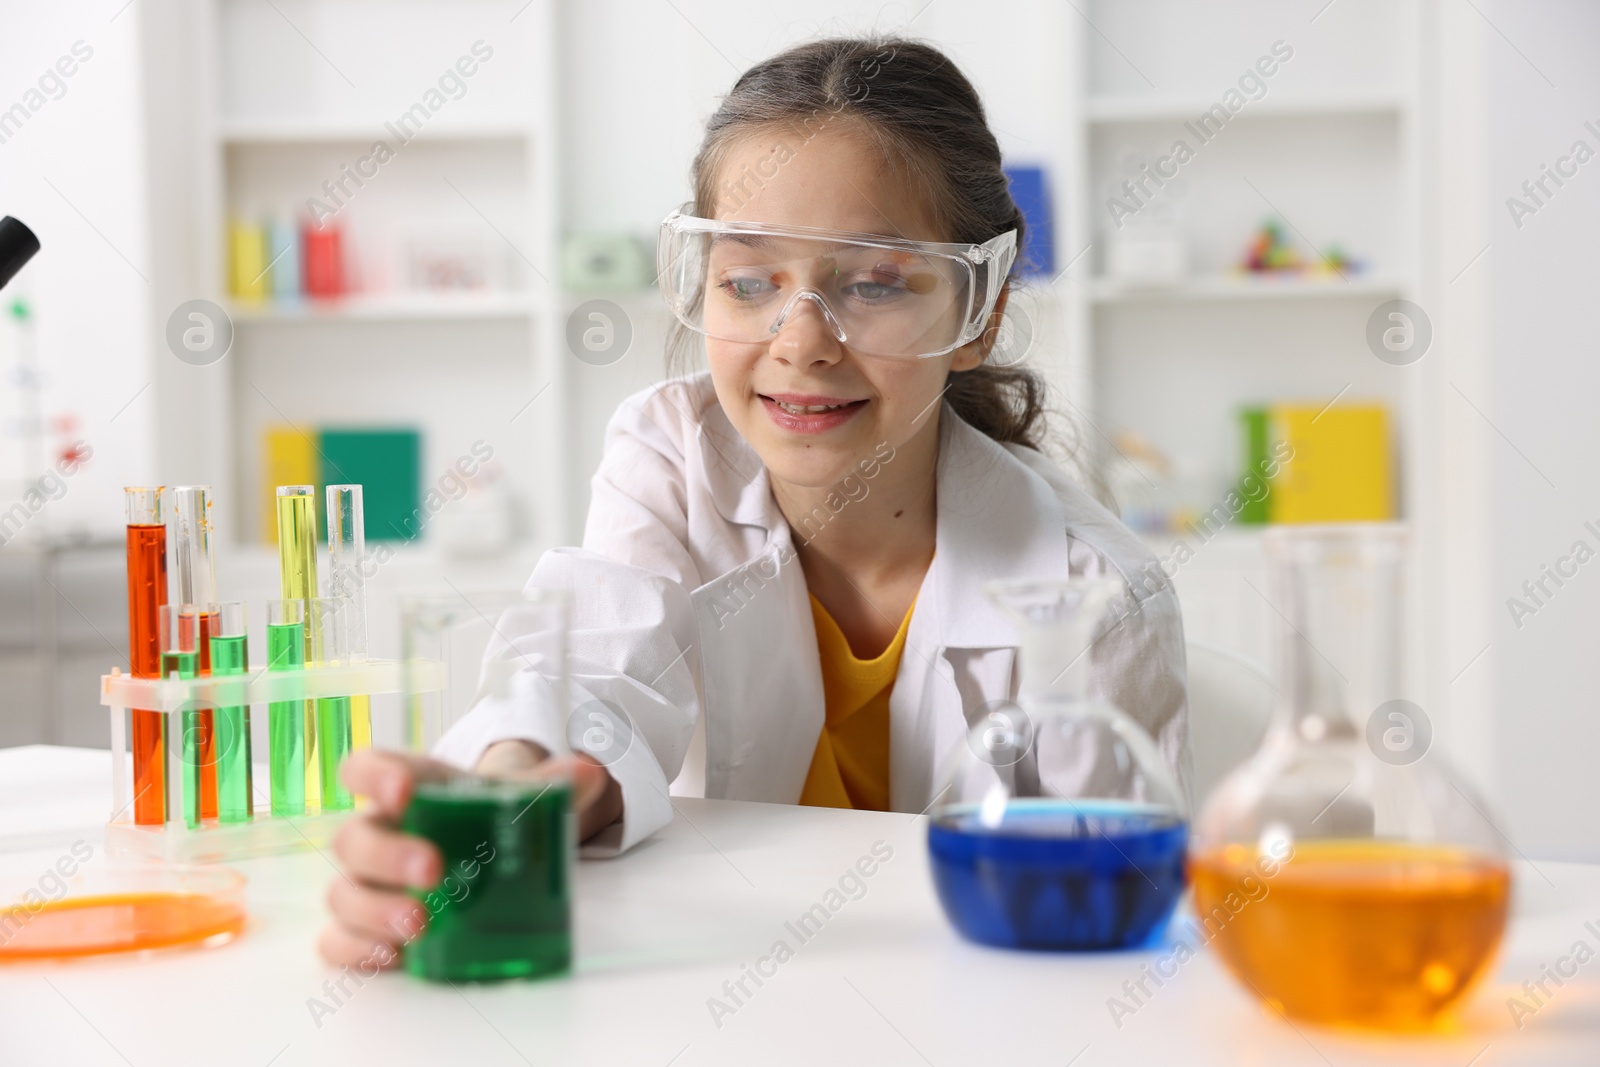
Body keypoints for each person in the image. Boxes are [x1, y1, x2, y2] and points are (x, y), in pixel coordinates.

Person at [319, 35, 1190, 970]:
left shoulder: (1092, 590)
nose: (802, 340)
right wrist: (510, 781)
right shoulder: (670, 452)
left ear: (977, 310)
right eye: (747, 281)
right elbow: (595, 675)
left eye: (876, 282)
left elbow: (1089, 928)